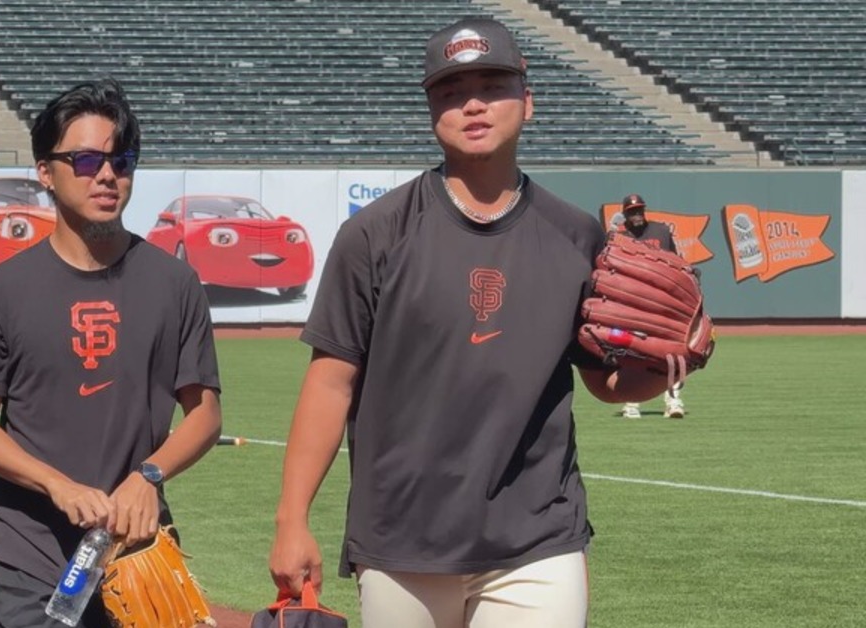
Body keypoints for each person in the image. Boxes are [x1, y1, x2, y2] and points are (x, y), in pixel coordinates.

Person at [268, 17, 674, 628]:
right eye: (452, 90)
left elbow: (606, 381)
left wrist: (670, 361)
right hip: (402, 537)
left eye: (492, 85)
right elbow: (330, 383)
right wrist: (291, 520)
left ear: (527, 101)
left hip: (537, 537)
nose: (473, 103)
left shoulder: (577, 236)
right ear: (432, 108)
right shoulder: (374, 234)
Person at [0, 78, 223, 628]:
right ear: (46, 172)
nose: (107, 175)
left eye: (122, 161)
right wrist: (56, 484)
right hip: (33, 564)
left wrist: (149, 476)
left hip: (139, 559)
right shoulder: (4, 289)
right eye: (87, 160)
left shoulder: (174, 283)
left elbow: (206, 414)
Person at [614, 193, 686, 419]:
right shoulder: (618, 238)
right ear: (625, 215)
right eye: (632, 212)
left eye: (639, 210)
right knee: (632, 352)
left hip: (662, 302)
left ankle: (673, 401)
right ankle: (631, 402)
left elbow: (675, 262)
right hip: (633, 305)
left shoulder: (661, 231)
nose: (637, 215)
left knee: (671, 353)